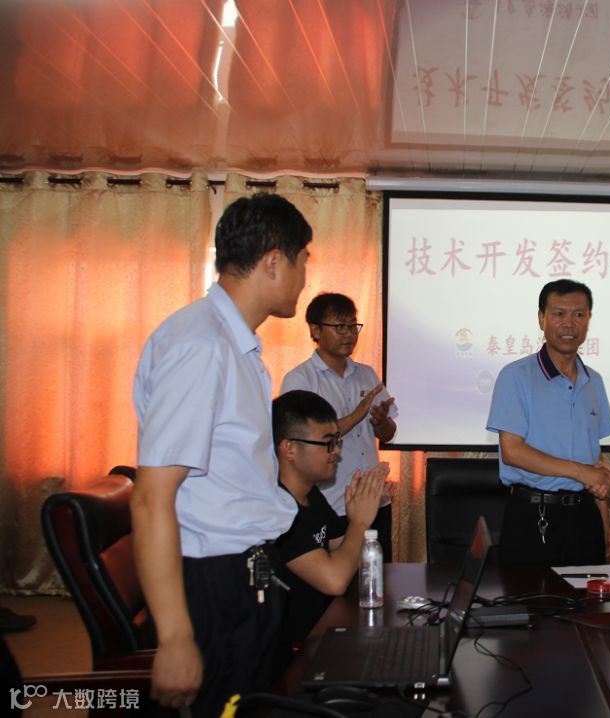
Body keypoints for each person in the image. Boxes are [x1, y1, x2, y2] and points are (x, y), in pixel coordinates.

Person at [131, 193, 311, 715]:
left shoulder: (234, 344)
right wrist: (175, 638)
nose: (304, 278)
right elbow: (151, 497)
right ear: (274, 261)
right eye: (302, 262)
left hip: (245, 574)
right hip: (214, 582)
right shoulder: (202, 345)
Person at [486, 279, 610, 565]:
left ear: (589, 320)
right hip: (533, 514)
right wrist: (580, 472)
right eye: (559, 314)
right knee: (527, 593)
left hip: (585, 515)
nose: (569, 323)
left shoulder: (594, 381)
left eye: (579, 314)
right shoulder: (516, 376)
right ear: (542, 319)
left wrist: (604, 521)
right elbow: (512, 451)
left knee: (588, 595)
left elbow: (594, 458)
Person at [281, 293, 397, 556]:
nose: (349, 334)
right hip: (332, 504)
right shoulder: (300, 380)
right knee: (339, 576)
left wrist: (381, 422)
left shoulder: (366, 374)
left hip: (375, 501)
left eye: (353, 326)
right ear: (315, 330)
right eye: (340, 327)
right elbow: (304, 439)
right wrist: (358, 414)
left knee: (379, 574)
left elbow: (389, 435)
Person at [272, 390, 388, 643]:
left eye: (337, 441)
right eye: (328, 443)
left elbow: (343, 551)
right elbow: (335, 580)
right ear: (289, 448)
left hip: (325, 629)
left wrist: (359, 511)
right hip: (294, 650)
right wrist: (359, 522)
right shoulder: (276, 508)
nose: (336, 451)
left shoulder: (310, 494)